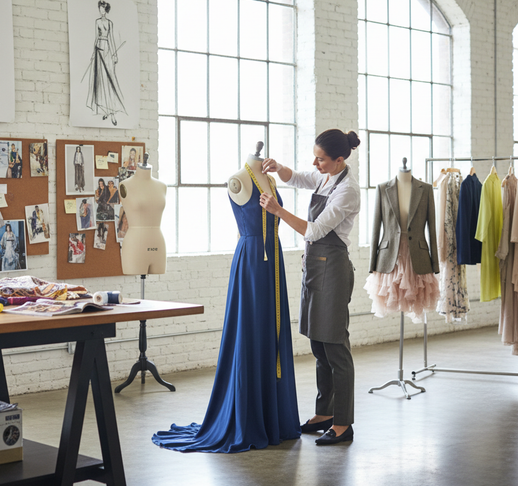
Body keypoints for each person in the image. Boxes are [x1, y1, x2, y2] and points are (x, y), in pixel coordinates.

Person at [152, 147, 299, 452]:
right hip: (252, 261)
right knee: (250, 331)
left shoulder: (271, 180)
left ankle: (275, 418)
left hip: (273, 260)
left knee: (272, 332)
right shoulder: (238, 180)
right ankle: (248, 418)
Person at [259, 129, 361, 446]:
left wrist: (278, 211)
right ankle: (324, 412)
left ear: (339, 160)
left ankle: (343, 423)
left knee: (335, 347)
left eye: (321, 159)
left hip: (333, 270)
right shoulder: (325, 176)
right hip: (315, 268)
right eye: (315, 157)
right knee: (318, 345)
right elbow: (298, 178)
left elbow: (314, 231)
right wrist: (279, 168)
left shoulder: (348, 190)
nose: (315, 164)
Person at [85, 0, 126, 126]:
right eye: (100, 8)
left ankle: (112, 111)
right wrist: (93, 53)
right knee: (100, 80)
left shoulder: (109, 23)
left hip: (107, 49)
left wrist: (114, 54)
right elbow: (96, 37)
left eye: (103, 8)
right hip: (99, 50)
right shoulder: (97, 21)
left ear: (106, 9)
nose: (101, 10)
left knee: (109, 79)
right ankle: (105, 110)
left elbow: (111, 39)